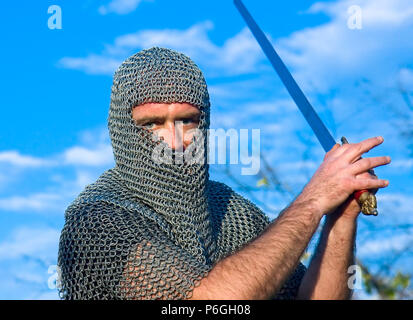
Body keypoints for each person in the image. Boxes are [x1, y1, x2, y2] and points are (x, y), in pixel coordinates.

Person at [57, 47, 390, 300]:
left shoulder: (231, 210)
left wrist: (340, 217)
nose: (174, 141)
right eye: (152, 123)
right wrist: (313, 200)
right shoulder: (97, 223)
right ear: (123, 130)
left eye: (186, 120)